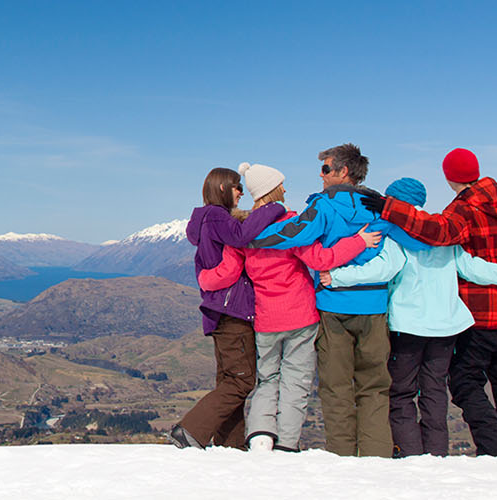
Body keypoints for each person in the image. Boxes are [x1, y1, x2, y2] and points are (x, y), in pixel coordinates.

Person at [247, 143, 428, 457]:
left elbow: (296, 233)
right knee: (374, 387)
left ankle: (342, 458)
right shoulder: (379, 206)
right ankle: (376, 456)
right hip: (374, 308)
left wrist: (251, 237)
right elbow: (416, 239)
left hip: (333, 307)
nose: (321, 175)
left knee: (336, 387)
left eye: (326, 168)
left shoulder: (325, 206)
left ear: (344, 171)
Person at [323, 178, 497, 457]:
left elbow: (383, 269)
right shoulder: (442, 232)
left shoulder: (398, 233)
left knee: (402, 391)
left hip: (409, 326)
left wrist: (336, 277)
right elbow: (471, 268)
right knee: (434, 391)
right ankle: (437, 452)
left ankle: (411, 453)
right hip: (447, 327)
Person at [197, 162, 381, 452]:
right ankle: (286, 444)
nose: (285, 188)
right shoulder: (292, 227)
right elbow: (321, 259)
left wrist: (205, 279)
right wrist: (358, 242)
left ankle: (260, 436)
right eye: (280, 184)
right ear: (271, 190)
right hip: (300, 316)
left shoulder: (243, 232)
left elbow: (230, 270)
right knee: (296, 381)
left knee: (268, 379)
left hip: (266, 319)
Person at [168, 167, 286, 449]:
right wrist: (272, 208)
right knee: (241, 381)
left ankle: (230, 444)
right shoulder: (217, 216)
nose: (241, 193)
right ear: (222, 188)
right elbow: (241, 235)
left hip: (220, 312)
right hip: (233, 312)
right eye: (237, 187)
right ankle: (190, 430)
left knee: (230, 380)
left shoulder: (207, 220)